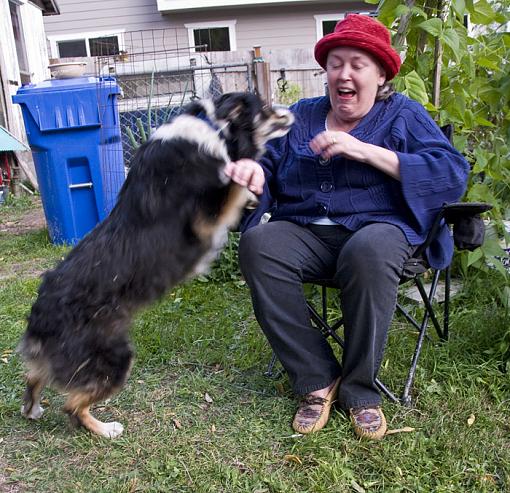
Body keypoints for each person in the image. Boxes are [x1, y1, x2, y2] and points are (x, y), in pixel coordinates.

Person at [224, 14, 470, 440]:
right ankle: (317, 378)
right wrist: (254, 172)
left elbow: (450, 172)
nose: (345, 74)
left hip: (382, 231)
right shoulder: (301, 116)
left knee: (368, 250)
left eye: (358, 64)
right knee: (260, 243)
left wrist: (367, 152)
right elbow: (265, 160)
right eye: (336, 63)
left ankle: (360, 392)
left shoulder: (403, 116)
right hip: (307, 233)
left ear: (380, 75)